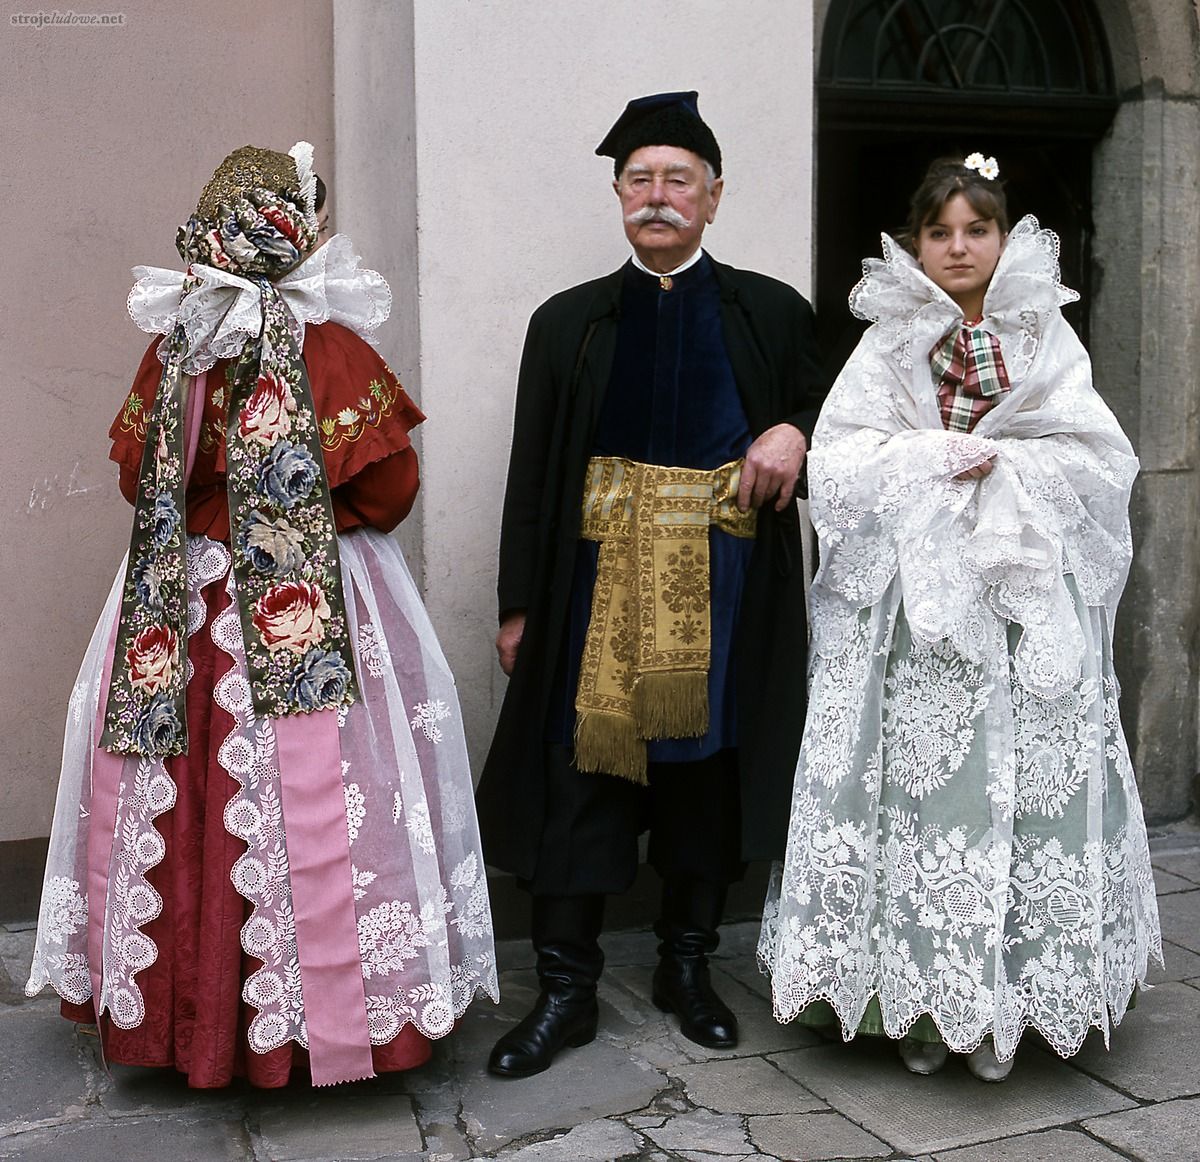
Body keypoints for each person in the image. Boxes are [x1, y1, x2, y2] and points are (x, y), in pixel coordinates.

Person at [25, 142, 498, 1088]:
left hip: (180, 597)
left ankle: (179, 1023)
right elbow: (387, 488)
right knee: (323, 790)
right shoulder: (327, 346)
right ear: (298, 231)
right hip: (308, 596)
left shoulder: (181, 342)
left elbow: (135, 474)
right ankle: (322, 1012)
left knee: (186, 785)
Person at [758, 154, 1162, 1081]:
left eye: (975, 230)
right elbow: (844, 459)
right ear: (916, 243)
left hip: (1019, 597)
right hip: (916, 613)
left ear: (1003, 236)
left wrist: (1010, 467)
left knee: (1022, 792)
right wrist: (934, 457)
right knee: (925, 792)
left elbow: (1100, 455)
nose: (958, 247)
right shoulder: (888, 341)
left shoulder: (1043, 335)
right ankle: (920, 1002)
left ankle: (1008, 1003)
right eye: (939, 232)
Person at [476, 92, 825, 1078]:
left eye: (678, 180)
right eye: (640, 180)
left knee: (704, 791)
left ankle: (685, 969)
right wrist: (519, 606)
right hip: (594, 599)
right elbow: (531, 469)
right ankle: (566, 992)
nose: (658, 198)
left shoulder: (771, 311)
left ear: (714, 198)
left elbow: (836, 410)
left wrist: (797, 430)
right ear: (619, 197)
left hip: (727, 595)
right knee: (579, 787)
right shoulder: (568, 324)